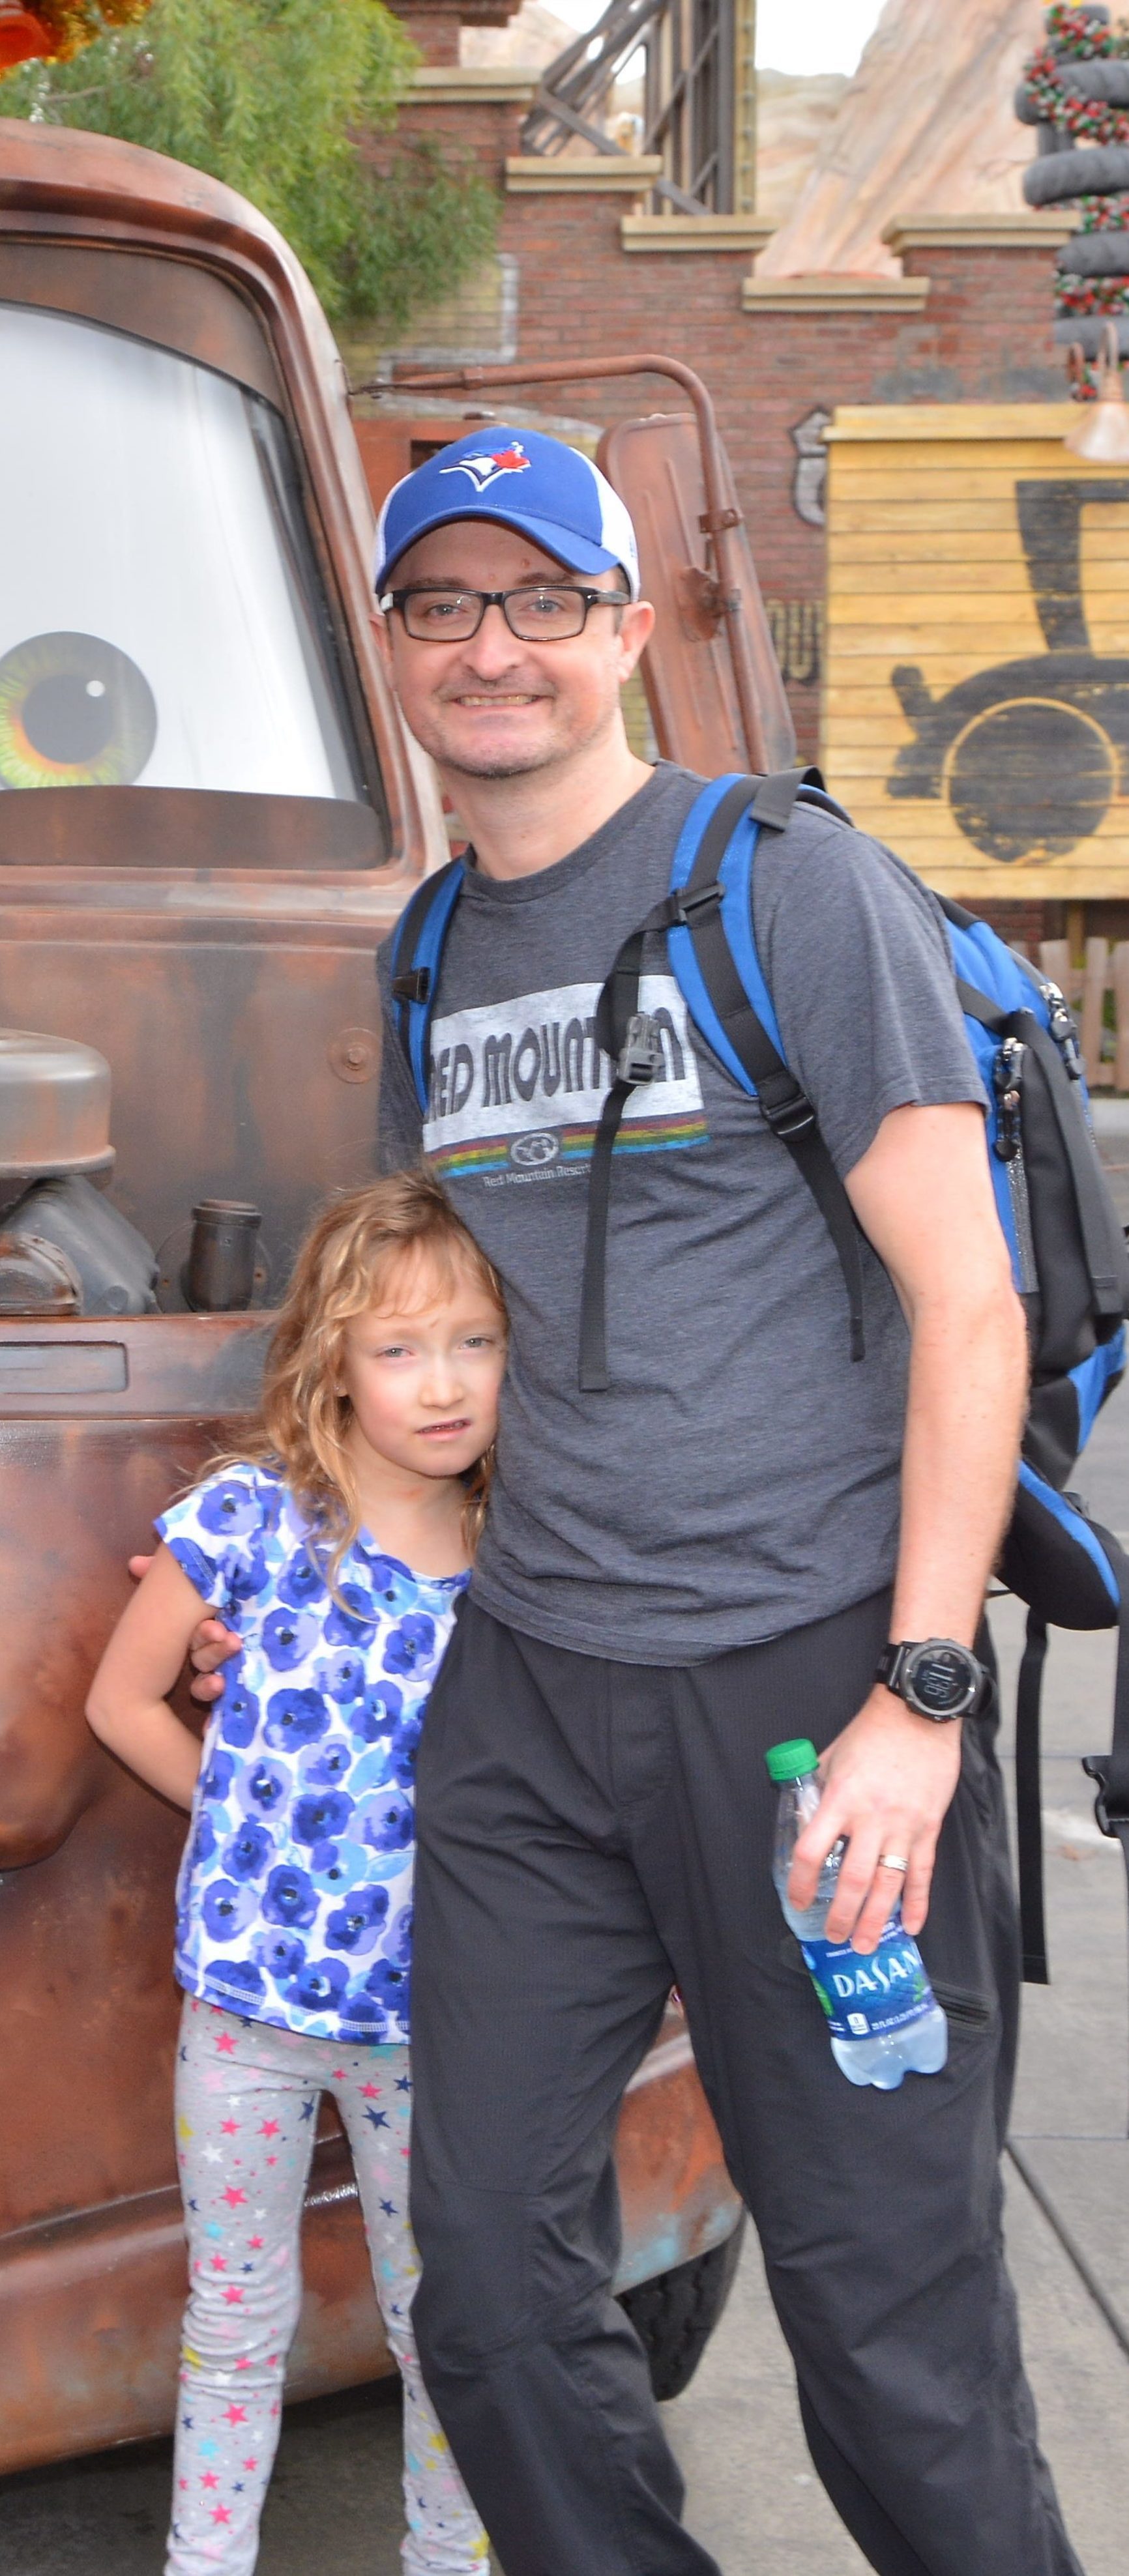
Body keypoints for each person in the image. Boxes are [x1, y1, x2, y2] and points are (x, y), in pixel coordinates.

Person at [340, 426, 1062, 2573]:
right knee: (476, 2280)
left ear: (628, 630)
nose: (493, 650)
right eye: (443, 606)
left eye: (542, 600)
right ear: (390, 645)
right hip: (533, 1703)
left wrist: (913, 1701)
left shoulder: (780, 884)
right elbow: (434, 1339)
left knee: (885, 2337)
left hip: (808, 1699)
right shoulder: (423, 953)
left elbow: (966, 1308)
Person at [88, 1172, 498, 2576]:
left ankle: (450, 2558)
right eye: (399, 1348)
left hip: (424, 2022)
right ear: (334, 1363)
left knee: (439, 2320)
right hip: (248, 2019)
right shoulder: (251, 1522)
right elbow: (123, 1701)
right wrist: (240, 1817)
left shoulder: (521, 1556)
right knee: (234, 2318)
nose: (441, 1385)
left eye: (475, 1342)